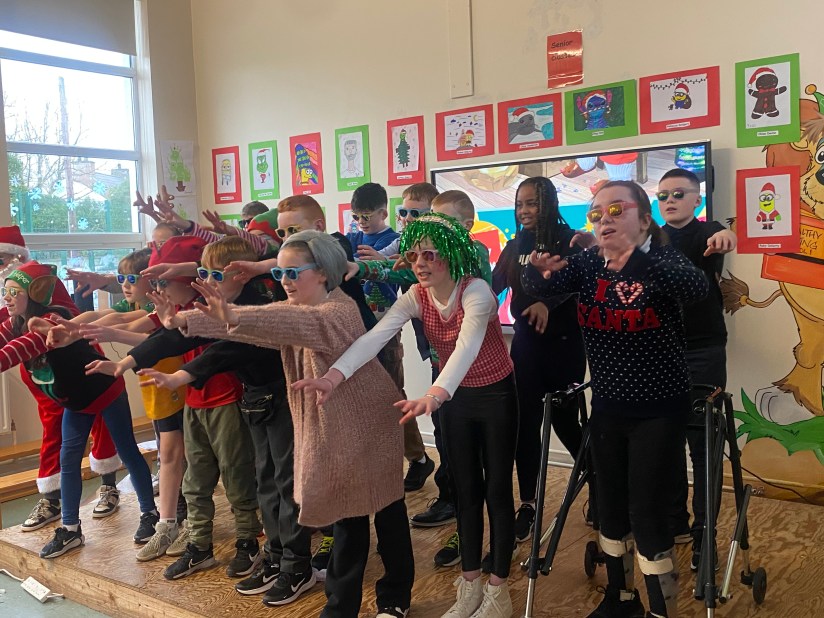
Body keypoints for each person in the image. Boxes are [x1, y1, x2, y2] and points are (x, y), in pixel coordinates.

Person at [165, 230, 414, 618]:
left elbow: (281, 321)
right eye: (280, 273)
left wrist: (230, 315)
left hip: (370, 425)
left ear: (324, 272)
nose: (285, 281)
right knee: (349, 519)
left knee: (385, 513)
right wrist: (186, 319)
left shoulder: (337, 311)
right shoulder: (298, 310)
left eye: (293, 273)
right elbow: (265, 324)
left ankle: (392, 599)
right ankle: (342, 608)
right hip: (337, 428)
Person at [310, 214, 518, 618]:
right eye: (413, 255)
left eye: (430, 255)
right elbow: (376, 336)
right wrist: (334, 375)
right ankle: (470, 585)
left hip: (494, 395)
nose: (419, 263)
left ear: (452, 255)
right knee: (466, 491)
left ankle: (498, 590)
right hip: (454, 399)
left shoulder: (476, 291)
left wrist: (435, 393)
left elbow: (467, 346)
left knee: (496, 490)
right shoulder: (416, 296)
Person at [524, 180, 709, 618]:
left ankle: (661, 610)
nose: (603, 219)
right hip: (609, 407)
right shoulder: (589, 263)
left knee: (646, 512)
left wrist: (636, 260)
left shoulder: (662, 258)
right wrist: (536, 269)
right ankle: (620, 599)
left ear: (644, 220)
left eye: (615, 210)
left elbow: (696, 289)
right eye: (596, 213)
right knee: (609, 509)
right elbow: (545, 287)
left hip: (658, 410)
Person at [137, 236, 318, 606]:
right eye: (203, 274)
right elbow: (186, 332)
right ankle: (276, 556)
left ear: (241, 274)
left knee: (286, 483)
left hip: (285, 399)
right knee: (265, 482)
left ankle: (297, 565)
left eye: (214, 275)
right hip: (256, 400)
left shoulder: (261, 304)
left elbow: (226, 348)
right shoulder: (228, 304)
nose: (207, 282)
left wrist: (181, 375)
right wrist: (130, 359)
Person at [86, 235, 262, 582]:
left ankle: (247, 542)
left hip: (225, 400)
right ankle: (199, 545)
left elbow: (215, 352)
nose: (158, 289)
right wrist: (123, 362)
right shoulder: (185, 310)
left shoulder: (212, 308)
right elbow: (161, 338)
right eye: (155, 284)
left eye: (163, 282)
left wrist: (175, 371)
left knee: (236, 475)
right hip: (194, 401)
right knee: (195, 481)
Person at [0, 263, 158, 558]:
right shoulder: (15, 321)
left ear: (35, 294)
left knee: (127, 451)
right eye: (4, 291)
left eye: (14, 292)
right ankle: (70, 529)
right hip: (74, 399)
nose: (6, 298)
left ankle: (149, 513)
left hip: (104, 390)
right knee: (69, 459)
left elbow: (15, 351)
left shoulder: (53, 320)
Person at [0, 226, 122, 531]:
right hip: (40, 374)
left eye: (1, 260)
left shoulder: (42, 288)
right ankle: (52, 498)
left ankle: (108, 482)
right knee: (53, 430)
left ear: (17, 258)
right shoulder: (13, 305)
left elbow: (36, 336)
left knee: (102, 423)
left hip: (76, 370)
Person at [491, 177, 588, 557]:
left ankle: (599, 486)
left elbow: (581, 284)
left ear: (549, 203)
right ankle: (528, 504)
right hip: (527, 345)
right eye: (519, 204)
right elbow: (493, 286)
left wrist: (548, 302)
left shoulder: (570, 239)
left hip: (565, 344)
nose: (524, 211)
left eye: (531, 203)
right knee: (525, 425)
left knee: (565, 422)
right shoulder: (515, 245)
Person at [657, 168, 736, 570]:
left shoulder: (708, 231)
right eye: (663, 196)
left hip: (703, 350)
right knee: (665, 441)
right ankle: (676, 524)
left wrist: (726, 237)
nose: (669, 201)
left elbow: (725, 236)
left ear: (696, 199)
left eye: (678, 194)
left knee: (704, 445)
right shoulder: (651, 238)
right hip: (660, 352)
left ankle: (706, 534)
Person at [347, 183, 434, 493]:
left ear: (383, 213)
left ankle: (416, 458)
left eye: (367, 216)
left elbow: (389, 264)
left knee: (392, 396)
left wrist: (374, 262)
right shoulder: (354, 237)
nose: (361, 222)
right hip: (358, 331)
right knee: (368, 400)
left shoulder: (396, 239)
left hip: (386, 330)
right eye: (356, 216)